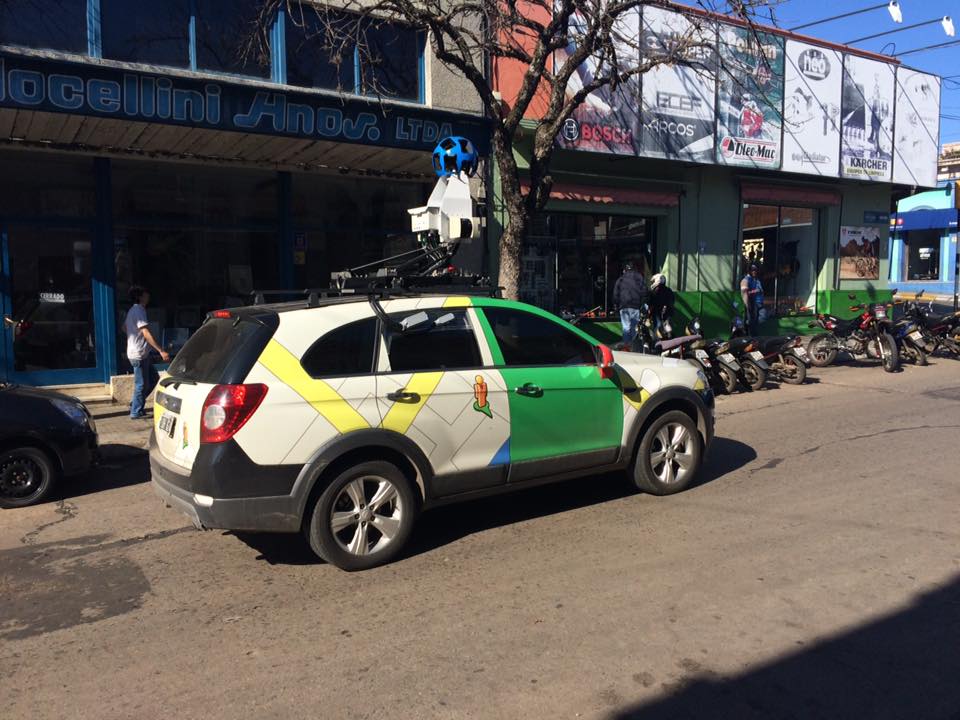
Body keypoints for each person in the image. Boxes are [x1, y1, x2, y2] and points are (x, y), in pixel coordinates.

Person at [125, 286, 169, 420]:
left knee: (153, 378)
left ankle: (135, 404)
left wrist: (132, 338)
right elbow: (145, 332)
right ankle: (135, 411)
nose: (148, 296)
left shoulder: (134, 310)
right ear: (140, 297)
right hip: (138, 354)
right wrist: (161, 350)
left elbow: (124, 327)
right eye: (145, 294)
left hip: (141, 352)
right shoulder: (138, 310)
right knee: (141, 384)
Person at [612, 262, 649, 346]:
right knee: (634, 328)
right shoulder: (639, 277)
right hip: (635, 306)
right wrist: (643, 302)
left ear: (625, 270)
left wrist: (615, 304)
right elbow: (645, 291)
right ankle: (633, 346)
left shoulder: (621, 279)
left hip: (624, 306)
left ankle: (626, 346)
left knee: (626, 328)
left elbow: (615, 293)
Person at [648, 273, 676, 339]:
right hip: (667, 314)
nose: (653, 283)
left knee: (658, 328)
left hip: (658, 314)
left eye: (654, 281)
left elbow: (652, 303)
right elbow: (672, 301)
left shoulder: (655, 291)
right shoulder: (669, 290)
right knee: (668, 328)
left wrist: (649, 314)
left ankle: (658, 343)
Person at [740, 264, 764, 335]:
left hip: (760, 302)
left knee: (762, 317)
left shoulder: (756, 280)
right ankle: (751, 337)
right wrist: (748, 305)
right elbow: (745, 293)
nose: (754, 271)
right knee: (752, 323)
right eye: (753, 270)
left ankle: (749, 325)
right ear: (749, 271)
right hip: (752, 303)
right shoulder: (746, 280)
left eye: (755, 270)